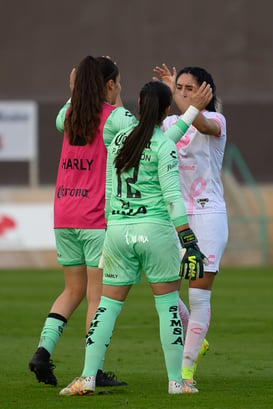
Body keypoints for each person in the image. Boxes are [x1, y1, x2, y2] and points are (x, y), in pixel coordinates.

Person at [59, 79, 213, 397]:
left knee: (106, 308)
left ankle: (87, 377)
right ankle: (177, 382)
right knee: (168, 306)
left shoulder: (117, 142)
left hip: (117, 232)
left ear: (139, 106)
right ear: (166, 110)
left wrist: (112, 230)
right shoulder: (163, 145)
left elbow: (111, 192)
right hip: (155, 232)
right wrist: (189, 240)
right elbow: (172, 196)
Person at [28, 56, 137, 388]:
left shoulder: (68, 115)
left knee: (71, 289)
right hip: (95, 219)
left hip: (64, 214)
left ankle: (42, 353)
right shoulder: (115, 117)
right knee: (97, 297)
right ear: (109, 85)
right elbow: (137, 131)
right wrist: (115, 97)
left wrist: (75, 88)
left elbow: (69, 110)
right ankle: (95, 369)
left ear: (76, 83)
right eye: (116, 82)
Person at [153, 64, 228, 386]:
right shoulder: (170, 122)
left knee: (199, 298)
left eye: (188, 88)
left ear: (205, 91)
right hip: (176, 218)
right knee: (164, 289)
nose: (181, 93)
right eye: (178, 88)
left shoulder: (215, 121)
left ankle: (185, 374)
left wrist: (185, 100)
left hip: (208, 215)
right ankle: (197, 339)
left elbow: (200, 121)